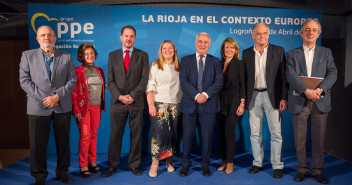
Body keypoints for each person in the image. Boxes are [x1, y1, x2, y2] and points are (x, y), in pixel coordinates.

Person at [19, 25, 76, 185]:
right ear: (37, 38)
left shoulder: (66, 56)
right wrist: (47, 98)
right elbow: (24, 81)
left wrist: (57, 97)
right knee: (37, 144)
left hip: (61, 105)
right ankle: (39, 176)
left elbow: (72, 81)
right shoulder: (27, 56)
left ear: (55, 38)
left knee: (63, 142)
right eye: (43, 35)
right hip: (38, 106)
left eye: (50, 35)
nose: (46, 38)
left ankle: (62, 172)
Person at [286, 19, 337, 184]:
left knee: (318, 138)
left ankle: (316, 170)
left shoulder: (326, 53)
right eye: (307, 29)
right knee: (300, 139)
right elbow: (290, 74)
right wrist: (306, 91)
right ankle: (302, 169)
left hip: (320, 100)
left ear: (318, 34)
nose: (310, 32)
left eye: (314, 30)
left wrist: (319, 91)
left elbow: (332, 73)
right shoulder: (292, 54)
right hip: (299, 99)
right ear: (301, 33)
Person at [242, 22, 288, 179]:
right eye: (258, 33)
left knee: (276, 133)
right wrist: (244, 99)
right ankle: (257, 163)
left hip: (272, 96)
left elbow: (284, 77)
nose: (262, 36)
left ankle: (277, 166)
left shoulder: (279, 51)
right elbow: (245, 79)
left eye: (265, 33)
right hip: (253, 96)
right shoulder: (246, 53)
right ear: (253, 36)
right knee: (255, 133)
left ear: (268, 34)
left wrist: (283, 97)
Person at [103, 25, 149, 177]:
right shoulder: (113, 55)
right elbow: (110, 81)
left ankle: (135, 165)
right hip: (118, 103)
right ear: (121, 37)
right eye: (126, 36)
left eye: (132, 36)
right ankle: (112, 165)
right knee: (115, 135)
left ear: (135, 38)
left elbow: (144, 80)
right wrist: (120, 97)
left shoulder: (143, 55)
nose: (129, 39)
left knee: (136, 136)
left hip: (137, 102)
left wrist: (133, 96)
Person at [179, 32, 223, 177]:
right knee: (187, 137)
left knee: (207, 137)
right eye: (200, 41)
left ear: (209, 45)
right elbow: (184, 81)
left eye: (205, 42)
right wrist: (197, 95)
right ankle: (185, 165)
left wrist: (205, 95)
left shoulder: (216, 61)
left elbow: (218, 82)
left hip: (209, 104)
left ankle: (205, 165)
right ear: (195, 43)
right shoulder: (185, 60)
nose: (202, 44)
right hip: (189, 104)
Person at [146, 40, 182, 177]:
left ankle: (169, 161)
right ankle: (154, 164)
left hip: (175, 104)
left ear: (174, 50)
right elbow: (150, 85)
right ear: (161, 51)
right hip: (158, 104)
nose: (167, 50)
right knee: (159, 135)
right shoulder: (155, 65)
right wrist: (150, 105)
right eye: (164, 48)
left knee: (172, 134)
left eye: (170, 48)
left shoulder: (180, 66)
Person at [71, 43, 105, 178]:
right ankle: (83, 164)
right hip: (83, 108)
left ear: (95, 54)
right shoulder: (77, 71)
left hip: (97, 107)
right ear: (82, 56)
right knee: (84, 137)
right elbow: (73, 92)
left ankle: (92, 161)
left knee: (93, 135)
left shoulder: (99, 70)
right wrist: (76, 110)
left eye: (91, 53)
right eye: (86, 54)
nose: (89, 56)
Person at [217, 38, 246, 175]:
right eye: (226, 47)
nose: (229, 50)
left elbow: (243, 85)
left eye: (232, 48)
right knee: (222, 132)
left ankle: (230, 163)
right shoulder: (219, 63)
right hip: (220, 100)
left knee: (229, 132)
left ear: (236, 50)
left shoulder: (239, 64)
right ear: (223, 50)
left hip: (234, 100)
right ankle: (223, 160)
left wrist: (242, 103)